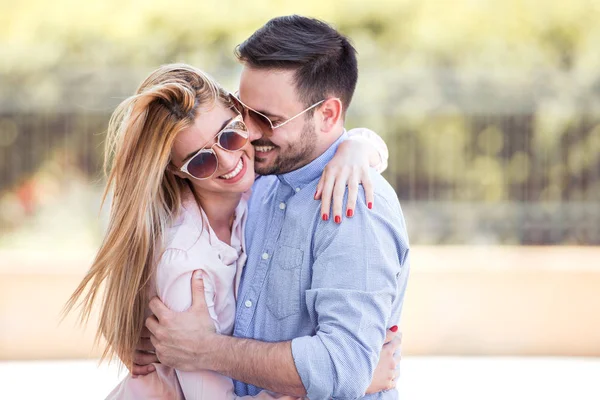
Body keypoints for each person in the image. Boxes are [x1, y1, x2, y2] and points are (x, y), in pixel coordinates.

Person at [64, 62, 398, 399]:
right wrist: (350, 381)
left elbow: (317, 134)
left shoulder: (257, 187)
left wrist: (356, 147)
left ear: (242, 115)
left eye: (230, 134)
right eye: (201, 160)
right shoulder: (185, 264)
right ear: (178, 172)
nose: (227, 161)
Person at [141, 16, 410, 400]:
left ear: (328, 115)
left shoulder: (356, 204)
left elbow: (342, 368)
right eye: (241, 109)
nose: (248, 131)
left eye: (268, 119)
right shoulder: (262, 180)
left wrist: (203, 349)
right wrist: (155, 341)